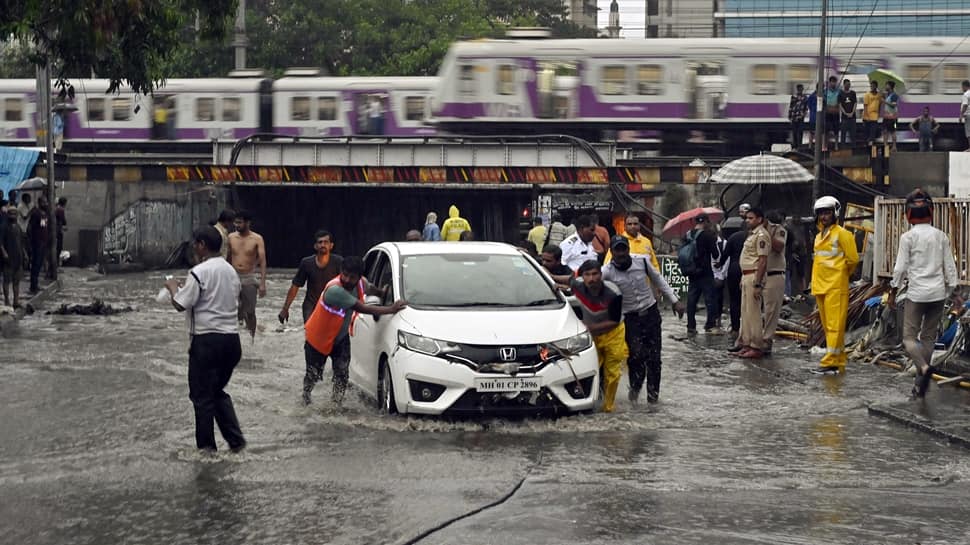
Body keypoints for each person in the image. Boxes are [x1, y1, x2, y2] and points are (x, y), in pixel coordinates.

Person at [164, 226, 246, 454]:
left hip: (207, 341)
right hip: (231, 342)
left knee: (201, 396)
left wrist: (172, 288)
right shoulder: (230, 271)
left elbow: (180, 304)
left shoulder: (198, 271)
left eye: (195, 244)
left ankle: (207, 450)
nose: (193, 248)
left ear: (201, 245)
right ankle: (237, 443)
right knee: (216, 391)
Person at [302, 256, 406, 405]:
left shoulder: (360, 283)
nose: (347, 279)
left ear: (358, 277)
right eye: (344, 274)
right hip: (318, 340)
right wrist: (391, 308)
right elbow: (362, 308)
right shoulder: (334, 290)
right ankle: (306, 398)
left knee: (342, 374)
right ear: (340, 271)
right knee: (313, 375)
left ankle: (336, 404)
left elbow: (369, 288)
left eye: (352, 277)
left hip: (340, 338)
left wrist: (382, 294)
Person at [888, 189, 959, 398]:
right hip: (938, 294)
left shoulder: (907, 237)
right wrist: (951, 292)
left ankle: (924, 370)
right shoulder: (941, 236)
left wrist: (893, 291)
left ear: (908, 214)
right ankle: (920, 384)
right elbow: (951, 268)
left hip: (917, 294)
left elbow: (900, 269)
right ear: (931, 212)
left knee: (909, 339)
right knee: (928, 338)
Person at [602, 236, 684, 404]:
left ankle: (653, 399)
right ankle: (635, 391)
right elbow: (591, 285)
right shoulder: (607, 271)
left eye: (624, 249)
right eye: (617, 250)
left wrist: (674, 301)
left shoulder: (643, 262)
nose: (621, 253)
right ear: (611, 252)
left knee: (654, 359)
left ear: (628, 250)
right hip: (629, 319)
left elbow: (659, 280)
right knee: (637, 356)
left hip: (651, 314)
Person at [811, 196, 860, 375]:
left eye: (827, 213)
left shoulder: (843, 234)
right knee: (828, 326)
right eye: (821, 213)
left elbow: (853, 259)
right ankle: (838, 360)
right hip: (821, 285)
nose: (824, 217)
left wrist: (841, 274)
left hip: (836, 285)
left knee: (834, 326)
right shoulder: (818, 236)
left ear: (835, 214)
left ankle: (830, 361)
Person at [570, 260, 627, 413]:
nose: (591, 279)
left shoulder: (613, 293)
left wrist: (589, 327)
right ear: (582, 276)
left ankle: (608, 407)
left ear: (601, 275)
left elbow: (614, 321)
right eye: (587, 275)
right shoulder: (577, 286)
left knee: (612, 372)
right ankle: (585, 403)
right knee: (586, 368)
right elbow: (566, 279)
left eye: (595, 274)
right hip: (592, 335)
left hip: (613, 334)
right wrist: (554, 282)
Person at [279, 230, 343, 325]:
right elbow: (295, 286)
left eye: (326, 242)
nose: (323, 245)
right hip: (311, 305)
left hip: (332, 305)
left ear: (331, 245)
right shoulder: (307, 263)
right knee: (310, 334)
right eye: (320, 242)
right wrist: (285, 309)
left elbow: (347, 284)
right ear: (315, 246)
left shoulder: (338, 262)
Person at [731, 207, 770, 359]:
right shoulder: (751, 235)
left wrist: (758, 284)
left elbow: (762, 261)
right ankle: (746, 343)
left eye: (751, 218)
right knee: (746, 313)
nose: (748, 220)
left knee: (754, 313)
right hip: (746, 275)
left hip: (754, 276)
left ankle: (756, 346)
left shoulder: (761, 235)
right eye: (747, 218)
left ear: (759, 219)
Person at [226, 210, 267, 340]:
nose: (236, 225)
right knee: (233, 309)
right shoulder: (231, 237)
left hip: (249, 277)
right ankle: (233, 335)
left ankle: (251, 338)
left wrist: (262, 283)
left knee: (250, 312)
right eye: (235, 222)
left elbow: (262, 261)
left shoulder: (257, 238)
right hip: (233, 276)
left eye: (239, 222)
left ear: (248, 223)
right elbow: (227, 258)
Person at [684, 213, 719, 335]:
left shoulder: (688, 235)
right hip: (705, 272)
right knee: (710, 298)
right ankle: (710, 324)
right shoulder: (708, 236)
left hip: (691, 271)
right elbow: (715, 254)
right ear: (706, 222)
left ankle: (691, 326)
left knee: (691, 299)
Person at [762, 210, 788, 355]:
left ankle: (767, 341)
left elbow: (778, 247)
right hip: (759, 274)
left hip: (774, 274)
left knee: (771, 310)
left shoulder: (779, 230)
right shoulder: (756, 231)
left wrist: (768, 233)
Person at [719, 219, 747, 336]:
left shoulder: (733, 237)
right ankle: (747, 328)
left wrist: (719, 264)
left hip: (734, 269)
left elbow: (725, 255)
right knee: (748, 301)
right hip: (748, 270)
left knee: (734, 300)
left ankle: (735, 328)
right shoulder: (754, 237)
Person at [1, 207, 25, 308]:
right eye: (11, 213)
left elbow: (20, 242)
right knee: (7, 280)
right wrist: (4, 253)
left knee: (17, 280)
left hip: (18, 257)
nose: (13, 215)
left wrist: (25, 254)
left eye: (15, 213)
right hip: (8, 258)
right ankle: (7, 300)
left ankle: (16, 301)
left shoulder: (18, 227)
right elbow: (0, 243)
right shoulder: (3, 226)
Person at [26, 195, 50, 294]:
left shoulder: (45, 214)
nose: (46, 204)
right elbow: (29, 227)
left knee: (39, 264)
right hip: (37, 242)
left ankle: (35, 285)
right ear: (40, 203)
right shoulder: (36, 213)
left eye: (46, 202)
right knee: (35, 264)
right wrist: (32, 241)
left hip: (43, 242)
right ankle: (33, 286)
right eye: (44, 202)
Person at [862, 79, 883, 146]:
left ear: (876, 86)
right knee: (867, 131)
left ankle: (871, 142)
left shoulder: (879, 95)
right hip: (867, 115)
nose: (872, 87)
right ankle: (867, 143)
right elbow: (865, 106)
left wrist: (879, 113)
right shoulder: (867, 95)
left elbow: (880, 104)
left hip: (875, 116)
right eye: (871, 86)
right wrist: (866, 116)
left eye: (874, 86)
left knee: (873, 131)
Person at [838, 78, 857, 148]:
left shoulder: (853, 93)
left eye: (849, 85)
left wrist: (852, 112)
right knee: (843, 132)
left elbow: (855, 103)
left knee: (853, 133)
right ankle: (843, 146)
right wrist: (845, 113)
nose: (848, 86)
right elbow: (840, 105)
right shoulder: (840, 94)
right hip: (844, 117)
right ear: (844, 85)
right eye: (847, 85)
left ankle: (853, 146)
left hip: (852, 116)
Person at [788, 83, 807, 148]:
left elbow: (805, 107)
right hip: (794, 117)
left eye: (801, 89)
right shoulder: (794, 97)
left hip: (800, 117)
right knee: (795, 132)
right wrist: (790, 116)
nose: (800, 90)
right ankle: (795, 145)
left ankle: (799, 146)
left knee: (800, 132)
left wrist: (803, 114)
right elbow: (791, 107)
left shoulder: (804, 97)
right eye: (799, 89)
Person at [882, 81, 899, 152]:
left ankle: (894, 146)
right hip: (886, 117)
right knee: (885, 131)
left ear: (890, 86)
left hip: (893, 118)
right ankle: (885, 145)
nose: (885, 86)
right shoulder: (888, 95)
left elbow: (893, 105)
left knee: (893, 131)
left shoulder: (894, 95)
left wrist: (884, 101)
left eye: (886, 85)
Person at [824, 76, 840, 150]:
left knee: (836, 129)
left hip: (836, 113)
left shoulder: (839, 91)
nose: (833, 83)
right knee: (826, 130)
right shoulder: (825, 91)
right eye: (832, 82)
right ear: (829, 83)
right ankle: (825, 145)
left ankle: (836, 145)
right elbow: (823, 102)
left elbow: (840, 101)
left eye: (834, 82)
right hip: (828, 113)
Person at [55, 197, 67, 261]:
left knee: (56, 248)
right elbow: (64, 221)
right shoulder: (61, 210)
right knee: (58, 248)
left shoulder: (56, 208)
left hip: (56, 230)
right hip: (58, 230)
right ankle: (56, 265)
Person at [807, 84, 819, 148]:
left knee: (819, 132)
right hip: (813, 117)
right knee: (811, 131)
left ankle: (817, 145)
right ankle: (810, 145)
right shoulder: (812, 96)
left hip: (820, 117)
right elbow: (809, 105)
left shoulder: (823, 95)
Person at [961, 80, 970, 152]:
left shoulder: (966, 94)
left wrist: (961, 115)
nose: (961, 88)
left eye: (962, 86)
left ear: (964, 86)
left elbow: (965, 105)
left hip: (968, 115)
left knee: (968, 132)